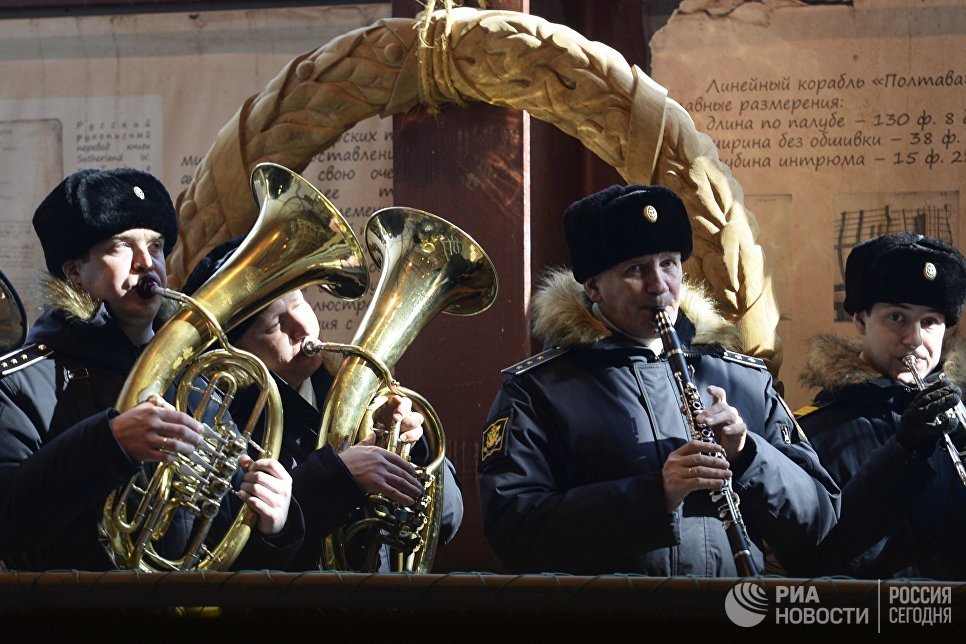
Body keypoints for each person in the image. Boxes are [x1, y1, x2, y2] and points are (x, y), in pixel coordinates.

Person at [477, 184, 840, 575]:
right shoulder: (537, 390)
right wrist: (655, 496)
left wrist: (748, 454)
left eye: (668, 263)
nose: (659, 285)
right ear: (593, 285)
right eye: (635, 269)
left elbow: (821, 523)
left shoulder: (745, 379)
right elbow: (514, 532)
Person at [0, 168, 302, 571]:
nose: (147, 263)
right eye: (121, 246)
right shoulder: (17, 382)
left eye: (156, 246)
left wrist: (273, 524)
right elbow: (8, 520)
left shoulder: (201, 385)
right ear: (74, 271)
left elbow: (221, 546)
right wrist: (109, 443)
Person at [181, 237, 463, 571]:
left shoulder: (362, 394)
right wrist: (338, 475)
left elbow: (447, 522)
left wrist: (415, 453)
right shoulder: (223, 419)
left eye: (299, 303)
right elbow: (228, 554)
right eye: (275, 325)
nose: (302, 327)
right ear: (236, 350)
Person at [795, 232, 966, 579]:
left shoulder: (959, 417)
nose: (915, 339)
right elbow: (827, 551)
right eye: (897, 318)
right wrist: (904, 450)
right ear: (860, 320)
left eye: (930, 322)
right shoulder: (813, 429)